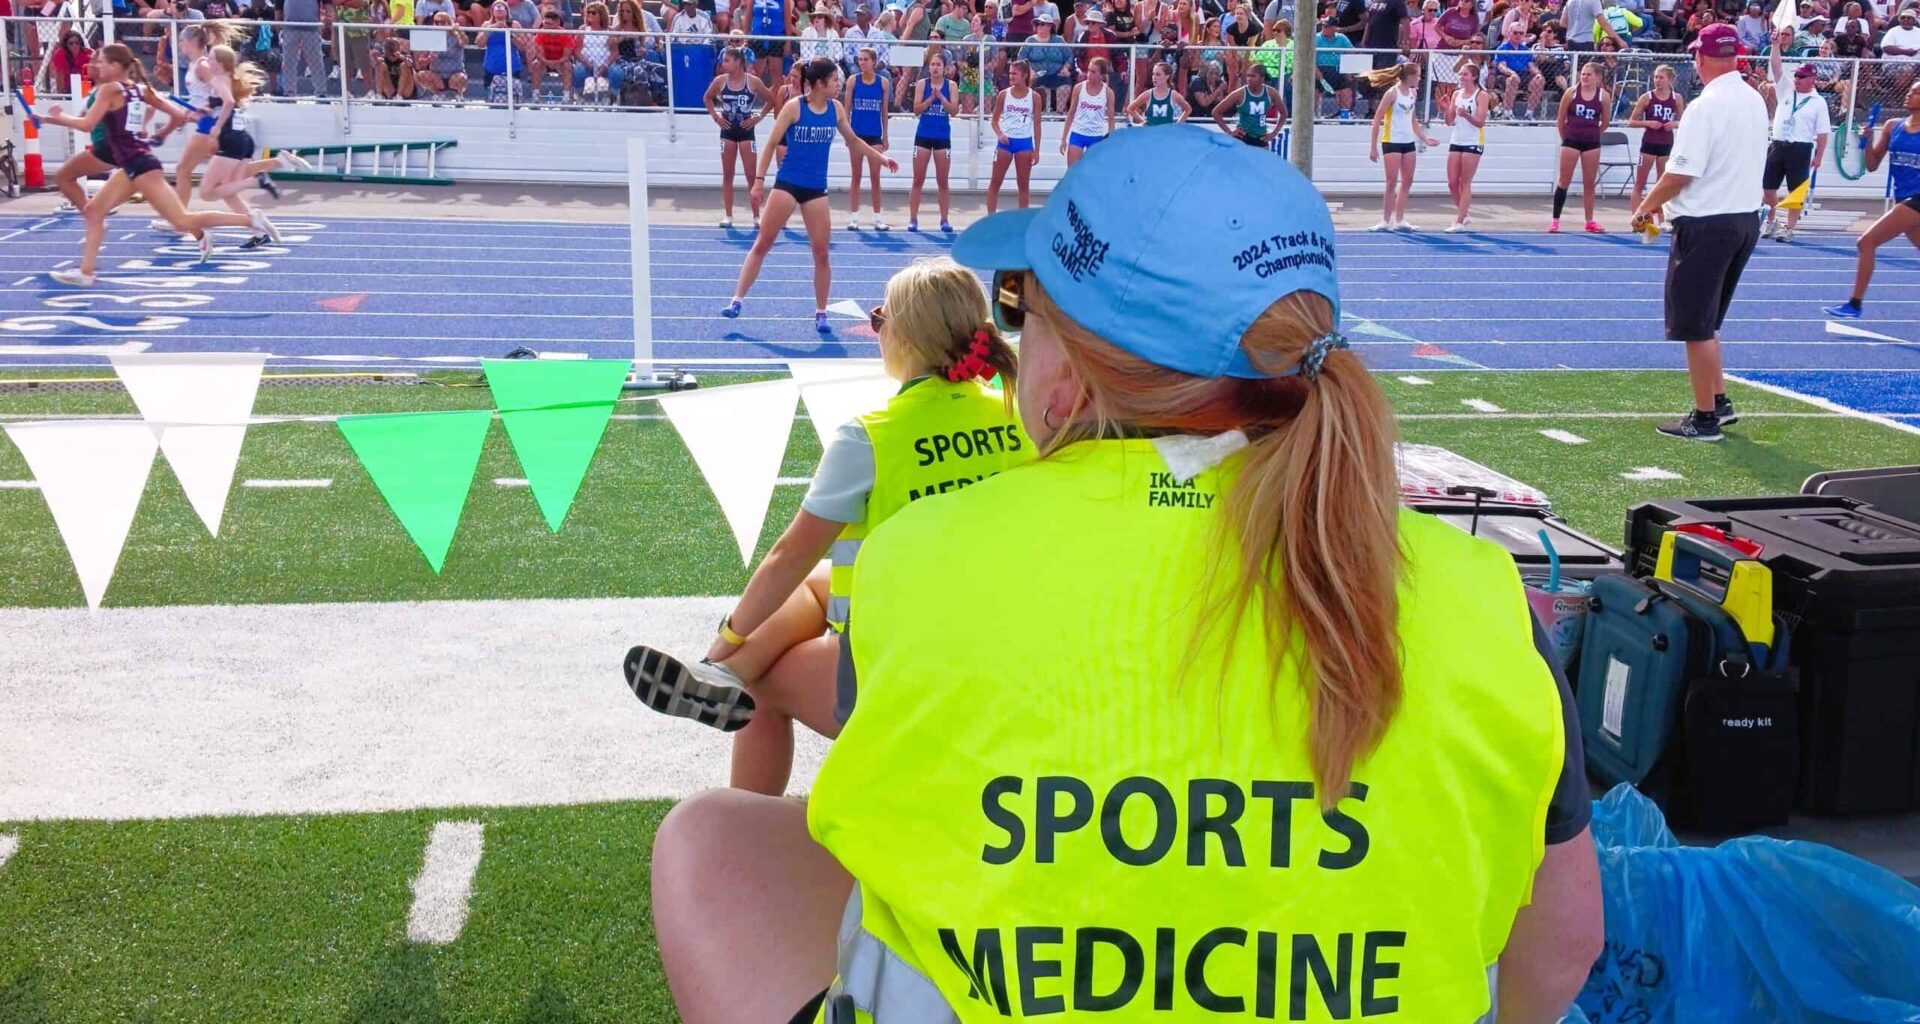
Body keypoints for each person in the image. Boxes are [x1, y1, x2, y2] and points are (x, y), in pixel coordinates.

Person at [649, 124, 1605, 1024]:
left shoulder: (921, 560)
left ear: (1070, 377)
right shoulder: (1490, 603)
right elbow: (1561, 951)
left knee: (714, 840)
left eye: (1022, 306)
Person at [627, 257, 1025, 793]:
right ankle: (722, 677)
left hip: (902, 671)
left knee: (763, 686)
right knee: (818, 582)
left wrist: (727, 637)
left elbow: (785, 555)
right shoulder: (1019, 414)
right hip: (1005, 651)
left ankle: (743, 791)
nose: (875, 330)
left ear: (902, 335)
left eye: (881, 318)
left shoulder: (871, 436)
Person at [1630, 22, 1767, 442]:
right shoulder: (1753, 99)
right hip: (1744, 218)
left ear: (1701, 58)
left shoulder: (1706, 106)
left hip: (1708, 223)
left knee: (1694, 324)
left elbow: (1681, 171)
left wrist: (1646, 207)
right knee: (1708, 322)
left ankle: (1705, 417)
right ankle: (1719, 401)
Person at [42, 46, 276, 287]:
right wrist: (160, 135)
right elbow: (177, 114)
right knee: (93, 212)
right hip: (134, 163)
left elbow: (87, 125)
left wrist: (58, 117)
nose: (96, 67)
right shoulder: (140, 89)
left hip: (139, 165)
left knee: (182, 221)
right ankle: (86, 272)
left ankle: (250, 220)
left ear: (114, 66)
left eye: (101, 62)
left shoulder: (109, 89)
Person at [723, 56, 898, 333]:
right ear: (818, 84)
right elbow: (769, 145)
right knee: (763, 243)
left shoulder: (836, 109)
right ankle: (737, 299)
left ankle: (820, 312)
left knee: (821, 254)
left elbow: (853, 140)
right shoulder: (795, 107)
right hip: (788, 183)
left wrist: (881, 158)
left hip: (816, 189)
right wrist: (759, 182)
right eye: (834, 81)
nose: (838, 85)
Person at [1824, 81, 1920, 319]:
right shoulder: (1892, 126)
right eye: (1910, 90)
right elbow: (1872, 164)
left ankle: (1854, 304)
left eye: (1917, 92)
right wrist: (1865, 142)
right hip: (1903, 196)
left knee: (1866, 242)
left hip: (1917, 199)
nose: (1910, 94)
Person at [158, 22, 239, 232]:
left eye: (182, 40)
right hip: (205, 122)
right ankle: (254, 221)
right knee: (222, 182)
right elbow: (205, 97)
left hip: (209, 125)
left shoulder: (203, 65)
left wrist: (208, 112)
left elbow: (222, 95)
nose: (180, 44)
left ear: (193, 42)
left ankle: (178, 220)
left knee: (183, 170)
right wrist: (192, 113)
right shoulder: (196, 65)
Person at [1760, 34, 1833, 243]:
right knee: (1768, 188)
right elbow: (1776, 66)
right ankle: (1771, 220)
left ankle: (1789, 227)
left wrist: (1819, 156)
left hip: (1800, 148)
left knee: (1796, 190)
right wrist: (1775, 45)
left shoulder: (1818, 102)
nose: (1797, 79)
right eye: (1797, 76)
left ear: (1812, 79)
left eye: (1802, 77)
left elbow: (1822, 132)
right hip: (1778, 144)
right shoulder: (1786, 91)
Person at [1366, 61, 1439, 230]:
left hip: (1408, 142)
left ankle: (1399, 219)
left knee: (1408, 180)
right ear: (1410, 76)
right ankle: (1385, 220)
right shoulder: (1392, 94)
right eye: (1418, 75)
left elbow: (1413, 121)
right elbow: (1377, 120)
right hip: (1392, 141)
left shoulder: (1412, 93)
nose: (1420, 79)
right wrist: (1373, 147)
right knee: (1391, 181)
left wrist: (1424, 138)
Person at [706, 45, 773, 228]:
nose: (723, 64)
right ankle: (728, 215)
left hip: (745, 131)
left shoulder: (753, 82)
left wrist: (757, 118)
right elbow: (707, 97)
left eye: (727, 60)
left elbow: (771, 100)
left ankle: (757, 216)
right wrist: (716, 117)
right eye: (723, 60)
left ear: (738, 62)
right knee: (728, 174)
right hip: (727, 130)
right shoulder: (720, 81)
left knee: (751, 175)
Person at [1551, 61, 1610, 232]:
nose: (1584, 77)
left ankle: (1589, 220)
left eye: (1589, 74)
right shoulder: (1571, 93)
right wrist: (1567, 138)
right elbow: (1561, 121)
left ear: (1598, 78)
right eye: (1583, 74)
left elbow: (1605, 122)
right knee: (1564, 181)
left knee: (1589, 183)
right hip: (1571, 140)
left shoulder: (1603, 96)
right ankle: (1555, 220)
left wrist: (1592, 134)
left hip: (1591, 142)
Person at [1628, 63, 1684, 226]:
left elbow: (1684, 121)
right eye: (1655, 77)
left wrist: (1674, 124)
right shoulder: (1647, 97)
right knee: (1640, 183)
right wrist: (1648, 123)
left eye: (1661, 77)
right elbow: (1632, 121)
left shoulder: (1676, 98)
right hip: (1649, 145)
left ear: (1670, 80)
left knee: (1662, 183)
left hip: (1666, 145)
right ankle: (1638, 220)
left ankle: (1662, 219)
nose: (1657, 81)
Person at [906, 49, 957, 231]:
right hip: (924, 135)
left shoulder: (951, 86)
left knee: (942, 181)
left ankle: (944, 219)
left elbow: (954, 111)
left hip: (942, 136)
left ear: (944, 68)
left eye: (938, 65)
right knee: (918, 179)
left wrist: (941, 97)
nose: (935, 68)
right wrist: (930, 99)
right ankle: (913, 219)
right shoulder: (922, 84)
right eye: (932, 65)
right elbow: (916, 110)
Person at [843, 46, 892, 230]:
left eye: (865, 59)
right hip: (856, 135)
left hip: (874, 136)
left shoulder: (883, 83)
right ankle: (854, 218)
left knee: (875, 177)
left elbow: (884, 111)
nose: (862, 63)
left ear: (873, 61)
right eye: (860, 59)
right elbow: (846, 110)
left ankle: (877, 218)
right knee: (856, 175)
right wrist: (847, 134)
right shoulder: (853, 81)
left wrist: (885, 136)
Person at [986, 59, 1042, 212]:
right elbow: (994, 120)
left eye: (1015, 74)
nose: (1011, 76)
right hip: (1005, 143)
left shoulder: (1034, 97)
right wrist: (1000, 134)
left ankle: (1022, 220)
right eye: (1010, 73)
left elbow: (1037, 125)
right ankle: (990, 219)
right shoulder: (1004, 95)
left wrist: (1036, 150)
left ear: (1024, 75)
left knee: (1023, 185)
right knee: (995, 182)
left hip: (1024, 143)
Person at [1444, 59, 1488, 231]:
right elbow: (1449, 121)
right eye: (1460, 74)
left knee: (1465, 181)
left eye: (1465, 74)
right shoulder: (1456, 94)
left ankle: (1460, 220)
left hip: (1472, 140)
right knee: (1452, 182)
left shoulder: (1481, 95)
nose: (1461, 77)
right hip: (1457, 139)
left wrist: (1466, 115)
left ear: (1474, 77)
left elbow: (1480, 122)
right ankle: (1464, 212)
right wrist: (1446, 108)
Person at [1212, 58, 1284, 147]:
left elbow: (1284, 113)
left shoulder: (1271, 93)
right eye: (1248, 76)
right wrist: (1229, 132)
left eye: (1253, 76)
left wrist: (1274, 133)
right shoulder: (1239, 93)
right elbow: (1216, 112)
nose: (1249, 79)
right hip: (1242, 137)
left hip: (1261, 137)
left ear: (1262, 78)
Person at [1061, 55, 1115, 164]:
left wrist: (1110, 142)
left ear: (1101, 75)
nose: (1089, 74)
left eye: (1094, 72)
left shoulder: (1108, 93)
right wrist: (1063, 138)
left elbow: (1111, 120)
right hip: (1078, 133)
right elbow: (1071, 113)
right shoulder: (1079, 88)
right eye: (1089, 70)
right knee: (1073, 173)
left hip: (1096, 136)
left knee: (1092, 175)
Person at [1021, 12, 1075, 111]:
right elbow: (1021, 57)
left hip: (1057, 74)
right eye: (1038, 24)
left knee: (1065, 85)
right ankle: (1037, 113)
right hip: (1037, 75)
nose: (1039, 26)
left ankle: (1059, 112)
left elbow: (1069, 56)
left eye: (1042, 24)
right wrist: (1030, 70)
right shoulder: (1030, 41)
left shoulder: (1059, 40)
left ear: (1050, 26)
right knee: (1036, 88)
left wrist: (1065, 68)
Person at [1313, 17, 1356, 116]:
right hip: (1320, 69)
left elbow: (1352, 53)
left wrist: (1348, 70)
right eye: (1323, 26)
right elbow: (1310, 57)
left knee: (1347, 87)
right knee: (1313, 87)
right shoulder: (1316, 38)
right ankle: (1313, 114)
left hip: (1337, 70)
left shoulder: (1342, 38)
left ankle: (1344, 114)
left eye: (1327, 26)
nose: (1324, 28)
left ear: (1334, 28)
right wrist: (1316, 70)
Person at [1127, 56, 1193, 121]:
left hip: (1167, 130)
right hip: (1151, 130)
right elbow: (1130, 108)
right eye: (1153, 74)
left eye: (1158, 74)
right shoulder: (1148, 94)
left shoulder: (1173, 95)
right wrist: (1143, 121)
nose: (1154, 77)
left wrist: (1177, 124)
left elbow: (1188, 109)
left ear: (1167, 76)